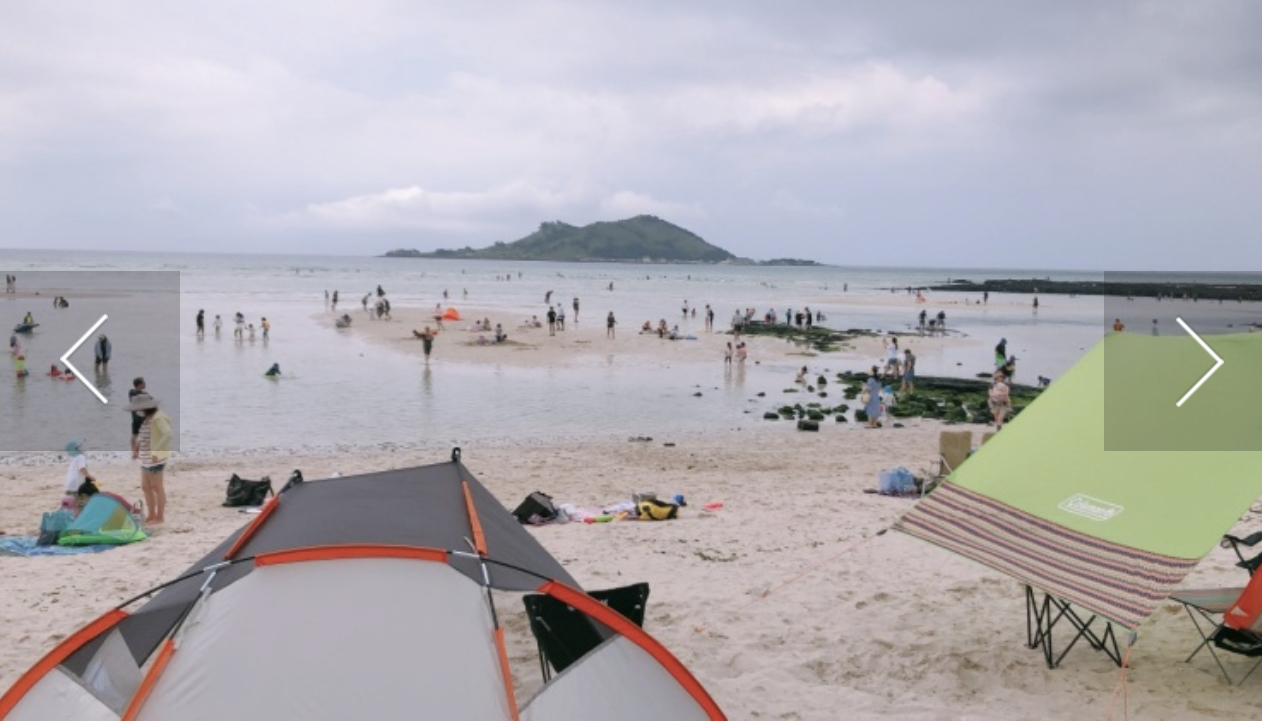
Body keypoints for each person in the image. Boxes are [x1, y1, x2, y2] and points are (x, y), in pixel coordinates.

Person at [128, 392, 171, 525]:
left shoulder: (158, 417)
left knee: (157, 487)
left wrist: (156, 451)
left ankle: (160, 517)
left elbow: (167, 434)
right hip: (145, 458)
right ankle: (151, 514)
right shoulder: (147, 419)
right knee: (146, 487)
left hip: (156, 458)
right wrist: (136, 448)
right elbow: (142, 436)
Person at [62, 439, 92, 511]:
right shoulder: (81, 457)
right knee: (81, 503)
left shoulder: (74, 458)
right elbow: (82, 468)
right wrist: (90, 477)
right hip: (77, 484)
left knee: (70, 504)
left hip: (69, 484)